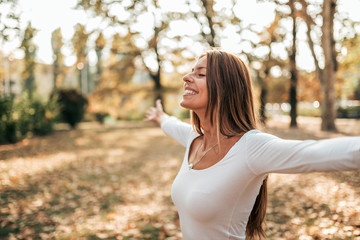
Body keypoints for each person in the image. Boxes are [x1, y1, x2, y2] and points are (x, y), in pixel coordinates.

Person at [144, 49, 360, 240]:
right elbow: (172, 126)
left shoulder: (251, 147)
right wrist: (161, 117)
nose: (186, 77)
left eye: (200, 74)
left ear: (226, 88)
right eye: (192, 71)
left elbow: (316, 153)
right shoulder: (195, 140)